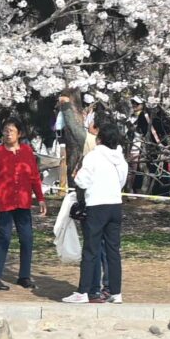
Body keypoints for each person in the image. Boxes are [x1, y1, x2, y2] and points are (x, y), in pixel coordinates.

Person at [66, 121, 128, 303]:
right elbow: (122, 182)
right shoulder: (121, 159)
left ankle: (83, 291)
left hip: (96, 206)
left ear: (99, 139)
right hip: (115, 205)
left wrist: (77, 175)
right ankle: (116, 293)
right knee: (113, 251)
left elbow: (82, 181)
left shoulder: (93, 157)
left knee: (91, 250)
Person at [0, 119, 40, 291]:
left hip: (22, 202)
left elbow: (34, 176)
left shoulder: (27, 151)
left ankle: (24, 275)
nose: (8, 134)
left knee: (27, 238)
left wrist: (40, 197)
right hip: (4, 202)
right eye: (6, 131)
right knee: (3, 237)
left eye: (11, 131)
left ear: (19, 134)